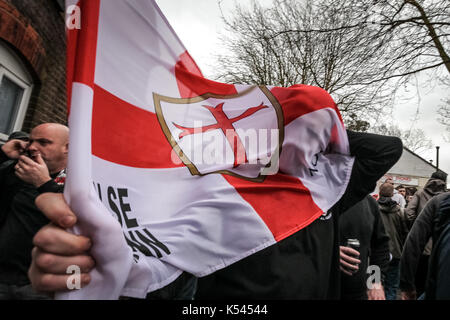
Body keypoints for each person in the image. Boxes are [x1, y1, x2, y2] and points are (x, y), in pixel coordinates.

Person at [28, 130, 403, 299]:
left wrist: (313, 124)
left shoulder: (328, 193)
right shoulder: (223, 193)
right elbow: (148, 250)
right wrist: (83, 272)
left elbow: (386, 150)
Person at [0, 123, 68, 300]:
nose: (32, 147)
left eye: (43, 142)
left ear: (67, 148)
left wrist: (44, 183)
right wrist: (2, 154)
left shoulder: (77, 183)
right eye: (30, 141)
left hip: (36, 286)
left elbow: (72, 219)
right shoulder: (15, 170)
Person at [403, 170, 447, 297]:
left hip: (421, 249)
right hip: (438, 250)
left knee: (418, 283)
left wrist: (417, 225)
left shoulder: (420, 193)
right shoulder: (445, 198)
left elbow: (408, 213)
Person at [339, 195, 390, 300]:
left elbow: (380, 247)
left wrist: (375, 281)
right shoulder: (317, 197)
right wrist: (328, 252)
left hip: (357, 291)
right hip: (319, 289)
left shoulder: (369, 203)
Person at [377, 182, 409, 300]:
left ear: (380, 192)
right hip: (395, 253)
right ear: (392, 194)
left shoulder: (373, 209)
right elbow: (405, 233)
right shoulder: (399, 211)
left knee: (373, 285)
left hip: (376, 256)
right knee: (392, 287)